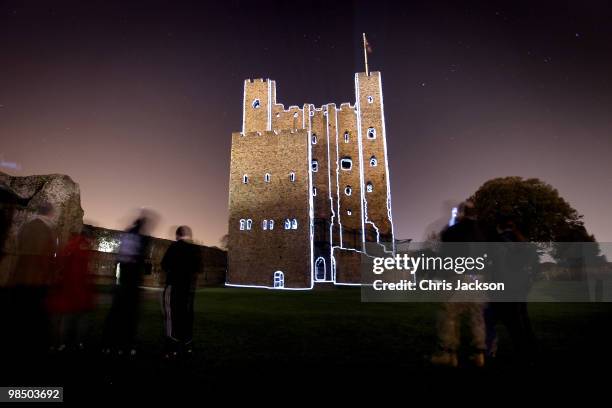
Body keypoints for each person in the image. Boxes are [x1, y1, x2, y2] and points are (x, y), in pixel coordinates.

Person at [431, 200, 489, 368]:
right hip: (478, 277)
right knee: (477, 317)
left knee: (449, 315)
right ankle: (479, 354)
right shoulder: (483, 232)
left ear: (462, 213)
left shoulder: (451, 232)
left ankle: (449, 353)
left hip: (457, 276)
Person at [485, 215, 538, 363]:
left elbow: (496, 266)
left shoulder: (498, 242)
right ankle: (529, 348)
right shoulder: (521, 242)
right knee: (521, 321)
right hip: (518, 287)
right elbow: (531, 264)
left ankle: (489, 350)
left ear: (499, 227)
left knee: (504, 321)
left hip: (503, 289)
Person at [9, 202, 58, 356]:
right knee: (34, 316)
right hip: (37, 277)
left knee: (19, 313)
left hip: (20, 274)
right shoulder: (47, 230)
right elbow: (48, 255)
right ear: (49, 213)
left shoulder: (25, 227)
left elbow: (17, 246)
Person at [102, 215, 150, 357]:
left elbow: (120, 259)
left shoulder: (127, 236)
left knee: (116, 314)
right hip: (132, 282)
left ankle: (109, 344)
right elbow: (139, 260)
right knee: (130, 316)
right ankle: (127, 345)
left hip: (123, 280)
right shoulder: (141, 239)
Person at [47, 229, 95, 353]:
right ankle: (72, 343)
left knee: (59, 317)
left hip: (63, 287)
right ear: (88, 237)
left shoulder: (69, 245)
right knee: (73, 317)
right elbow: (80, 271)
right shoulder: (82, 247)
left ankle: (55, 343)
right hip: (75, 288)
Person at [161, 225, 202, 359]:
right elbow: (198, 269)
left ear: (178, 235)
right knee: (187, 316)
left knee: (171, 316)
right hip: (188, 289)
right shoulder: (195, 249)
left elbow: (164, 265)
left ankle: (172, 347)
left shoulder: (174, 247)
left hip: (174, 287)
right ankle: (187, 345)